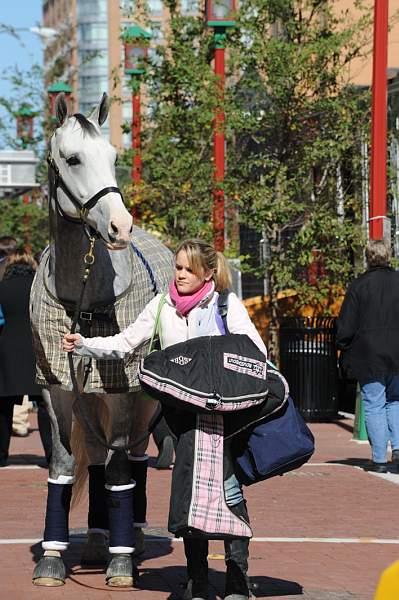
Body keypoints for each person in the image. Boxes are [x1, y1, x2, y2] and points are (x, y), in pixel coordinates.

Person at [63, 238, 267, 600]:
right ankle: (197, 580)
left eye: (189, 269)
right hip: (182, 418)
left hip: (223, 417)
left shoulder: (224, 305)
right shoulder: (161, 306)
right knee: (189, 496)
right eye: (178, 267)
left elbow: (255, 352)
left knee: (229, 490)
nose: (182, 275)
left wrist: (214, 365)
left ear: (207, 272)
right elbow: (126, 342)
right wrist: (82, 344)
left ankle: (237, 578)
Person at [337, 239, 399, 473]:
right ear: (389, 256)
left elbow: (346, 325)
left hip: (369, 353)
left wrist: (342, 345)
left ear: (368, 257)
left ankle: (379, 459)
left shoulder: (358, 286)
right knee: (396, 400)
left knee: (374, 404)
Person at [0, 252, 52, 466]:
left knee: (2, 406)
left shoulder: (1, 288)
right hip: (36, 348)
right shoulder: (39, 289)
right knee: (45, 405)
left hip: (6, 348)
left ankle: (1, 455)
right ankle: (52, 455)